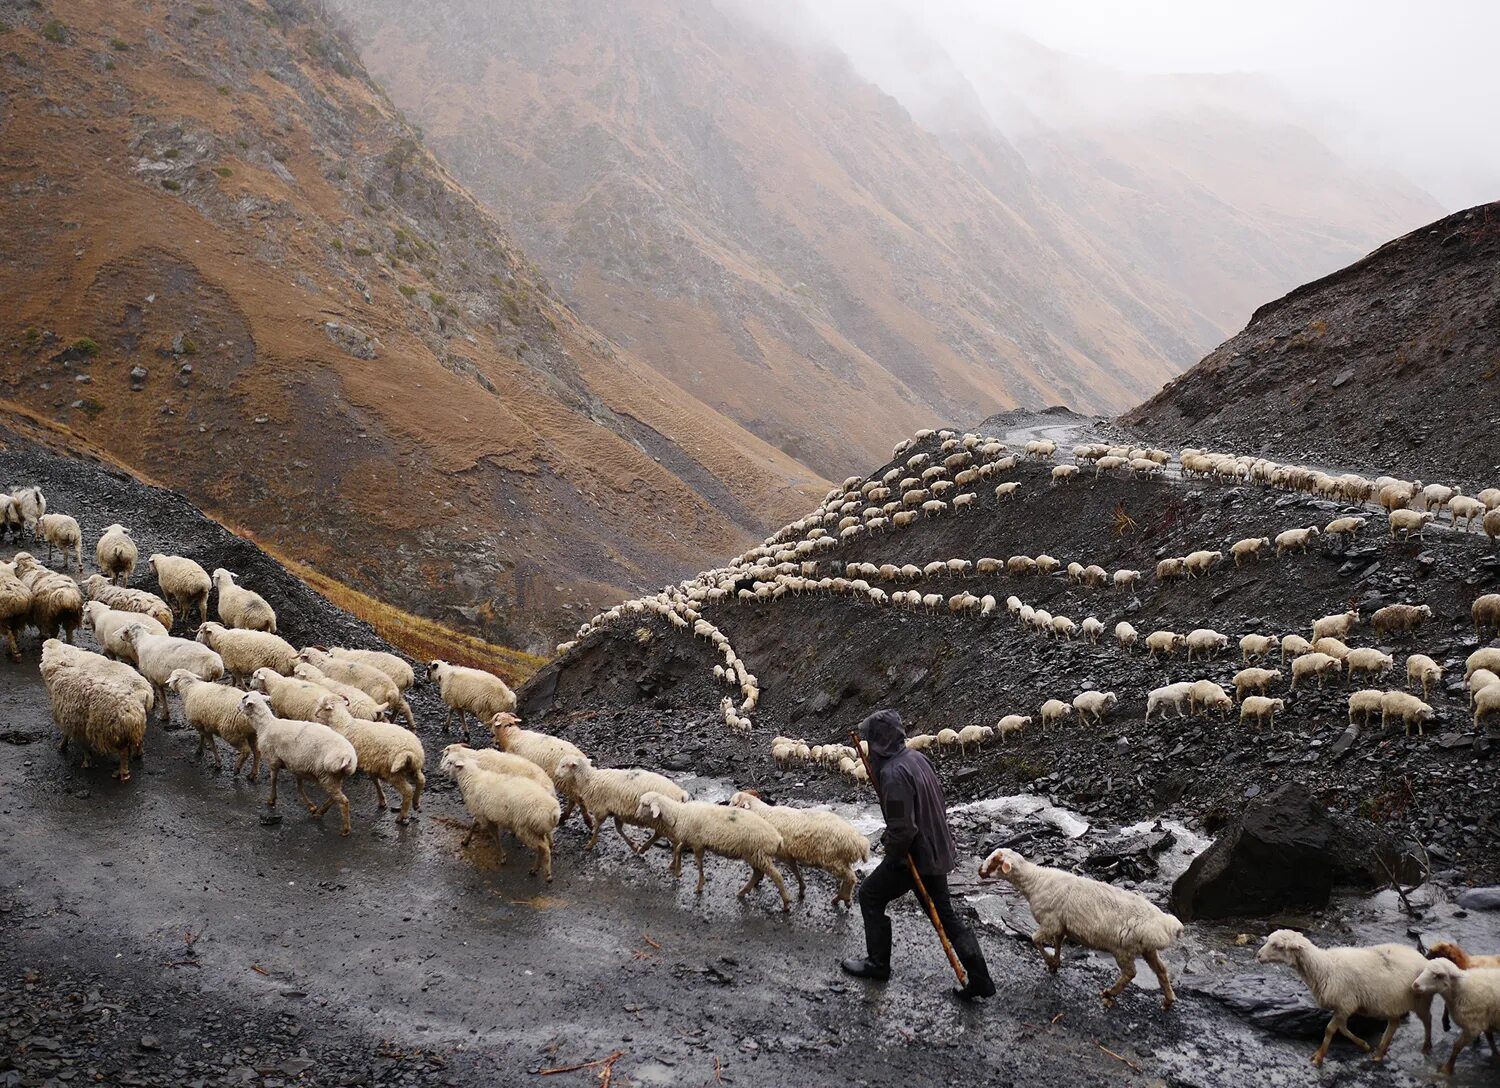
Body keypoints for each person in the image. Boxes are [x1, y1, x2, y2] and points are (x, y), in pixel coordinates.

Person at [840, 708, 995, 1000]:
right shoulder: (916, 758)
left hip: (916, 855)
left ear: (879, 741)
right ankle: (980, 979)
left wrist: (893, 854)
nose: (868, 745)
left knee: (870, 895)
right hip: (936, 847)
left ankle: (877, 964)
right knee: (946, 915)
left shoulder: (892, 774)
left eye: (870, 739)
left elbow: (903, 827)